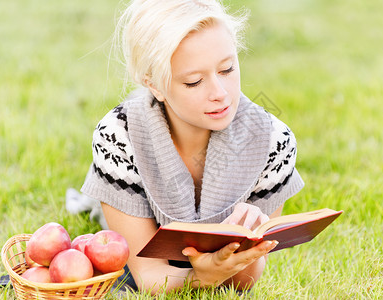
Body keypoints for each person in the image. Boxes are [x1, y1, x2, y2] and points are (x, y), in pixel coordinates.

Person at [78, 0, 305, 294]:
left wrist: (246, 244)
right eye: (194, 82)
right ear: (155, 85)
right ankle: (101, 202)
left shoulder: (273, 142)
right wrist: (201, 279)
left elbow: (244, 281)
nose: (220, 94)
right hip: (129, 181)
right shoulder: (118, 136)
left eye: (227, 69)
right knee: (108, 212)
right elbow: (147, 273)